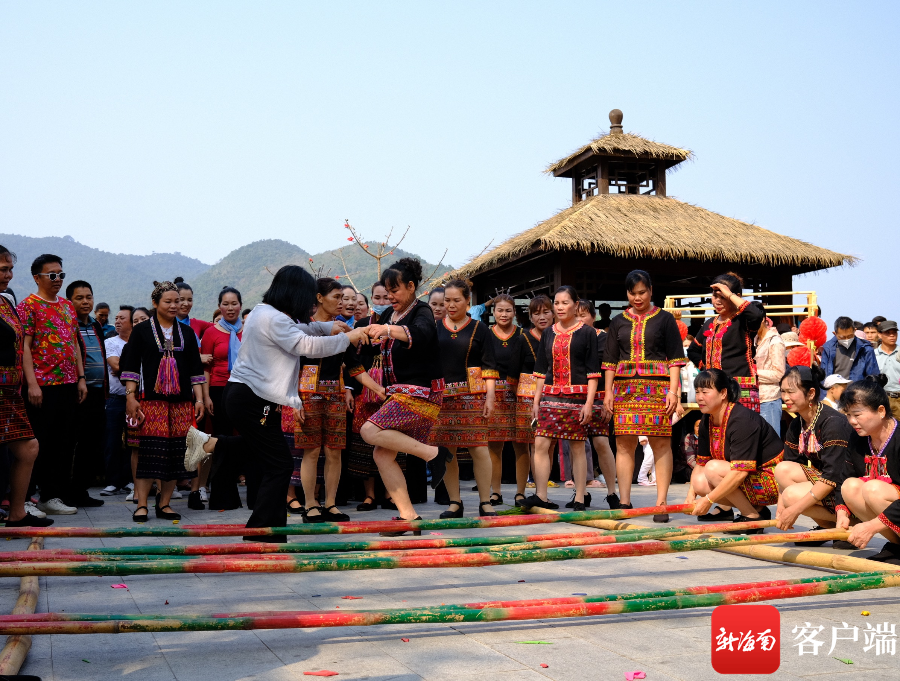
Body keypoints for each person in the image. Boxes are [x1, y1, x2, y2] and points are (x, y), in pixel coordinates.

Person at [183, 266, 367, 541]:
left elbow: (299, 329)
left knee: (268, 453)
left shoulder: (264, 312)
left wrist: (326, 327)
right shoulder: (273, 318)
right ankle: (264, 530)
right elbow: (306, 345)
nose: (309, 304)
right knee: (279, 464)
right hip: (251, 398)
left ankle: (211, 445)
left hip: (250, 395)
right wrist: (345, 338)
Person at [359, 258, 454, 535]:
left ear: (411, 287)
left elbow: (422, 334)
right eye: (387, 291)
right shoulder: (390, 314)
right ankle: (409, 515)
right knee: (381, 454)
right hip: (399, 394)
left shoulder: (421, 311)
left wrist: (387, 330)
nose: (390, 296)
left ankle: (434, 454)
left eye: (395, 290)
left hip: (421, 393)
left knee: (368, 430)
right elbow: (375, 347)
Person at [120, 281, 207, 522]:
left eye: (177, 301)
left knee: (176, 454)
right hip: (152, 402)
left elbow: (195, 369)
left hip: (181, 403)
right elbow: (131, 368)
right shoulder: (142, 331)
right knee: (150, 453)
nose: (174, 305)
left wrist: (199, 399)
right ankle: (142, 504)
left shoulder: (186, 333)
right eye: (168, 301)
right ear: (155, 303)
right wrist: (130, 397)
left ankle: (165, 503)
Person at [603, 270, 685, 522]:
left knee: (660, 443)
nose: (637, 298)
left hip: (658, 388)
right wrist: (608, 393)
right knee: (624, 443)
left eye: (642, 292)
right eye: (632, 293)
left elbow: (675, 359)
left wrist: (673, 391)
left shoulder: (665, 319)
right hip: (624, 389)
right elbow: (610, 361)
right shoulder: (618, 321)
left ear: (651, 290)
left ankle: (661, 504)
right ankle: (624, 500)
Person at [292, 278, 375, 522]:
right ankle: (310, 504)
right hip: (306, 394)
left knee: (334, 452)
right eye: (336, 297)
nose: (341, 302)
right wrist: (293, 400)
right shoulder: (302, 327)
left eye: (342, 297)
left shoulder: (343, 329)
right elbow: (290, 365)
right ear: (319, 298)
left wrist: (378, 389)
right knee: (311, 451)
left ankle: (330, 504)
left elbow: (354, 366)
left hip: (335, 396)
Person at [19, 254, 85, 515]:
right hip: (42, 386)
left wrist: (80, 378)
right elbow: (24, 347)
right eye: (52, 275)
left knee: (63, 442)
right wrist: (32, 384)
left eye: (61, 275)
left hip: (68, 384)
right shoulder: (28, 306)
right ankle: (25, 499)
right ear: (37, 278)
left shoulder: (67, 306)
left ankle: (51, 496)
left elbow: (74, 343)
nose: (58, 279)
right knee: (38, 443)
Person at [526, 285, 601, 512]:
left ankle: (580, 497)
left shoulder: (587, 333)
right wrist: (536, 402)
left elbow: (593, 372)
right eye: (556, 303)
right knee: (541, 443)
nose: (559, 307)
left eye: (564, 303)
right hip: (550, 396)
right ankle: (541, 495)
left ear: (575, 305)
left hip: (577, 397)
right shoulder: (548, 332)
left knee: (577, 446)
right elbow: (541, 370)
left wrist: (589, 403)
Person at [431, 279, 498, 519]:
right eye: (446, 301)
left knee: (479, 448)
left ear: (467, 301)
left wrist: (490, 397)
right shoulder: (435, 328)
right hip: (442, 398)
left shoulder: (480, 329)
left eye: (456, 300)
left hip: (473, 397)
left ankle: (485, 502)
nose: (450, 305)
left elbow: (489, 366)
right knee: (447, 451)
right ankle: (454, 503)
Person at [688, 369, 782, 533]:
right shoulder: (706, 420)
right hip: (749, 479)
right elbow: (701, 463)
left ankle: (751, 517)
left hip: (773, 481)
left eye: (705, 392)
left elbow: (740, 472)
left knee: (713, 468)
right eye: (697, 392)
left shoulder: (741, 420)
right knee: (698, 482)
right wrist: (690, 496)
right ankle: (757, 510)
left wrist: (708, 500)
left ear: (723, 393)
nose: (699, 397)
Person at [775, 365, 858, 548]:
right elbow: (790, 464)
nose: (785, 397)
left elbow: (833, 477)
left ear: (811, 393)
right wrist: (781, 508)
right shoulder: (797, 424)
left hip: (847, 489)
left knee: (792, 496)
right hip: (828, 483)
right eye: (783, 391)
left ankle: (852, 525)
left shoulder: (832, 423)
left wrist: (794, 510)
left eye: (791, 391)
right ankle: (828, 528)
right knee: (783, 470)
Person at [0, 246, 52, 527]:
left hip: (9, 391)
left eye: (10, 269)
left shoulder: (6, 302)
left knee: (29, 448)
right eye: (2, 270)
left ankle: (17, 512)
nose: (8, 275)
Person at [839, 376, 900, 564]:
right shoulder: (858, 437)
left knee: (872, 488)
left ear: (881, 411)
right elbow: (845, 475)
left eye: (857, 415)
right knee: (850, 486)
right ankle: (897, 546)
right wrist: (842, 513)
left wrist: (872, 526)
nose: (851, 421)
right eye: (848, 415)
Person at [687, 273, 765, 412]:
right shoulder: (709, 324)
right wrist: (705, 368)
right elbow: (693, 350)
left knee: (740, 424)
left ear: (736, 296)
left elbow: (756, 314)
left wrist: (730, 295)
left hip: (740, 388)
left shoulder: (743, 320)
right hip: (714, 389)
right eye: (715, 296)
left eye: (723, 297)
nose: (718, 301)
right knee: (717, 426)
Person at [345, 282, 392, 510]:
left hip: (392, 389)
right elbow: (352, 361)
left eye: (386, 297)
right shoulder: (362, 324)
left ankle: (391, 493)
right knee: (365, 442)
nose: (381, 302)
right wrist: (349, 389)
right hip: (365, 390)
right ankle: (369, 495)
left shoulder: (399, 325)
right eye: (377, 298)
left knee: (392, 440)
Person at [200, 286, 245, 511]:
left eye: (234, 303)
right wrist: (206, 396)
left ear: (240, 305)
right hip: (218, 390)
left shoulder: (248, 331)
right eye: (225, 304)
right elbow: (205, 368)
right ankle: (222, 493)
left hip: (244, 389)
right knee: (221, 438)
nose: (230, 308)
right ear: (219, 306)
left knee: (244, 437)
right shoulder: (211, 332)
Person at [66, 280, 108, 508]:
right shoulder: (67, 324)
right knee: (69, 442)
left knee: (91, 443)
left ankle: (80, 491)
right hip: (75, 392)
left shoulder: (95, 326)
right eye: (79, 298)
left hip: (97, 393)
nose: (85, 302)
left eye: (88, 297)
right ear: (69, 301)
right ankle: (62, 492)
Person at [576, 299, 619, 506]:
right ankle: (580, 493)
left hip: (601, 396)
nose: (579, 319)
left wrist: (610, 397)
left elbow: (613, 368)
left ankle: (611, 492)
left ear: (593, 317)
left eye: (583, 315)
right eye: (576, 315)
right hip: (577, 396)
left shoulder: (605, 338)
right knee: (577, 445)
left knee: (601, 442)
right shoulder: (570, 338)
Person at [511, 295, 552, 504]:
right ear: (530, 317)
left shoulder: (558, 337)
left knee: (548, 446)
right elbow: (513, 374)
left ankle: (542, 492)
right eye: (537, 313)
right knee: (534, 445)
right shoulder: (523, 338)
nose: (541, 317)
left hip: (553, 395)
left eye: (546, 312)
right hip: (527, 398)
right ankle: (536, 493)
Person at [100, 305, 135, 496]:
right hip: (115, 399)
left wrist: (124, 368)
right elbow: (115, 365)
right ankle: (112, 481)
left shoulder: (139, 342)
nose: (117, 321)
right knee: (112, 441)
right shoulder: (110, 342)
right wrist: (130, 369)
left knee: (133, 441)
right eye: (117, 318)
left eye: (123, 318)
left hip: (135, 399)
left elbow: (123, 367)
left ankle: (130, 480)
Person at [124, 306, 151, 502]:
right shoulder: (129, 347)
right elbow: (123, 374)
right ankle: (137, 490)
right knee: (136, 446)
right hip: (135, 400)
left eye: (143, 319)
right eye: (135, 320)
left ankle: (160, 487)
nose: (139, 323)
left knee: (158, 445)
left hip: (156, 400)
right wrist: (131, 397)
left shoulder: (161, 345)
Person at [820, 316, 879, 383]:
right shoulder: (828, 349)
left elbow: (873, 377)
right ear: (835, 334)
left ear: (855, 331)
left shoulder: (865, 349)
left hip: (857, 389)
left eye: (850, 336)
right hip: (834, 388)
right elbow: (824, 377)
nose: (846, 339)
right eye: (842, 337)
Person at [755, 317, 786, 433]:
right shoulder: (753, 339)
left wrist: (754, 373)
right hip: (752, 398)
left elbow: (779, 373)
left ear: (763, 320)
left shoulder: (775, 341)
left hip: (769, 400)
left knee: (770, 440)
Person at [174, 277, 213, 345]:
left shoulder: (197, 324)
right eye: (181, 299)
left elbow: (221, 328)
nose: (186, 304)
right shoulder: (164, 325)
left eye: (189, 300)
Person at [874, 320, 900, 419]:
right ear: (879, 335)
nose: (892, 335)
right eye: (888, 333)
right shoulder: (874, 355)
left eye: (894, 332)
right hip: (881, 398)